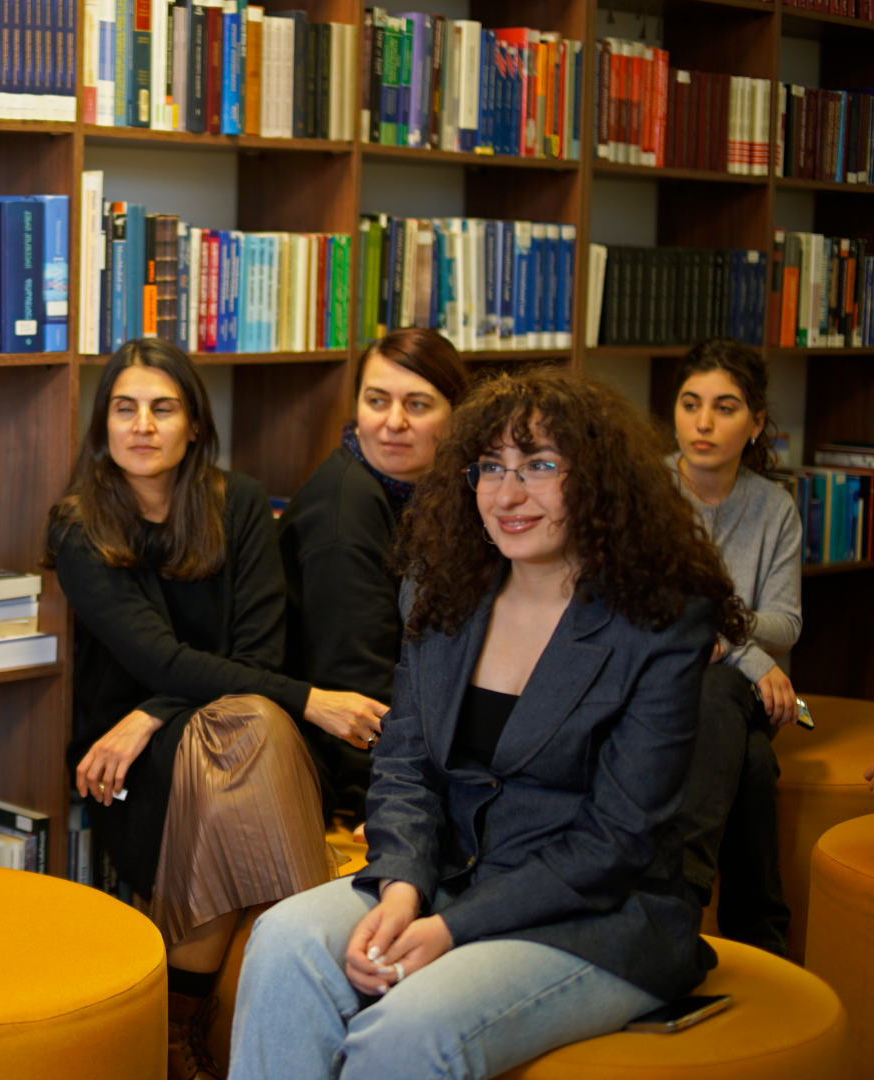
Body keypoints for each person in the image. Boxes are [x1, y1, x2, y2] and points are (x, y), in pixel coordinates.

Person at [228, 367, 748, 1080]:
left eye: (539, 466)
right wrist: (402, 884)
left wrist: (449, 928)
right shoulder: (443, 589)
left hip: (596, 918)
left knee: (406, 1029)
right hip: (447, 877)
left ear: (598, 481)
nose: (507, 495)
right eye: (491, 468)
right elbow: (404, 764)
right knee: (284, 941)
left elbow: (616, 841)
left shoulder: (658, 621)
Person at [44, 338, 330, 1080]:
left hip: (174, 733)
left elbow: (259, 658)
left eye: (162, 409)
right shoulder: (78, 526)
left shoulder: (241, 504)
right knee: (254, 726)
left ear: (195, 424)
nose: (142, 426)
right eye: (124, 409)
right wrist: (310, 703)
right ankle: (293, 1021)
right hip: (127, 768)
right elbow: (155, 658)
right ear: (103, 425)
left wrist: (149, 713)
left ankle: (174, 1033)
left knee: (249, 725)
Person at [278, 327, 471, 824]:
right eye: (377, 401)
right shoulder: (344, 512)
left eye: (418, 405)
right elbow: (356, 694)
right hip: (353, 778)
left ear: (457, 416)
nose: (393, 422)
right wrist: (389, 808)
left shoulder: (442, 495)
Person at [669, 338, 801, 955]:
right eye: (690, 403)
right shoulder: (646, 490)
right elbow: (646, 609)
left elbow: (787, 622)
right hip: (658, 683)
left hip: (745, 693)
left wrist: (723, 643)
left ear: (755, 423)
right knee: (752, 762)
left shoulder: (775, 507)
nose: (703, 422)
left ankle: (681, 893)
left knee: (719, 683)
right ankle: (764, 937)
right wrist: (746, 653)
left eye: (725, 407)